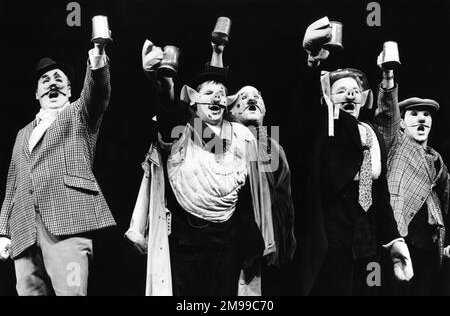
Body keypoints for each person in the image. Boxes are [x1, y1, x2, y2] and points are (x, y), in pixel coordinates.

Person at [125, 39, 275, 296]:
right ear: (194, 100)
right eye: (208, 93)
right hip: (188, 242)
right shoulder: (182, 128)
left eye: (220, 93)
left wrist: (260, 125)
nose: (216, 96)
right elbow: (171, 112)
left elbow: (266, 173)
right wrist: (165, 86)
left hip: (228, 241)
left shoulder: (241, 135)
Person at [297, 16, 413, 296]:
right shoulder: (328, 125)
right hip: (331, 238)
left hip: (366, 240)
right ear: (328, 98)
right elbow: (309, 104)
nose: (349, 94)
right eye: (340, 91)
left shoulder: (371, 134)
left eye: (354, 91)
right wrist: (314, 60)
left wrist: (394, 239)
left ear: (364, 98)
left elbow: (379, 193)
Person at [0, 41, 115, 296]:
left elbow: (97, 91)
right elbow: (12, 184)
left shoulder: (80, 114)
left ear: (70, 89)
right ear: (37, 93)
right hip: (23, 231)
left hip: (67, 223)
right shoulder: (22, 134)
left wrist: (98, 56)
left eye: (58, 79)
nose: (52, 83)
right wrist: (3, 232)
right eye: (45, 80)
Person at [375, 51, 450, 295]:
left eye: (426, 115)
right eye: (414, 114)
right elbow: (387, 115)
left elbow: (446, 202)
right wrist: (388, 76)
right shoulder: (395, 141)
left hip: (430, 246)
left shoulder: (437, 159)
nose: (421, 119)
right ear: (403, 122)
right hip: (400, 238)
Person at [227, 85, 296, 294]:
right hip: (233, 244)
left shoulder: (273, 147)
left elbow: (283, 198)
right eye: (243, 97)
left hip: (269, 247)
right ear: (231, 109)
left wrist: (285, 239)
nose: (251, 100)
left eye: (257, 97)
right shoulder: (223, 141)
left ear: (264, 110)